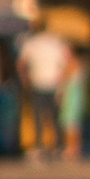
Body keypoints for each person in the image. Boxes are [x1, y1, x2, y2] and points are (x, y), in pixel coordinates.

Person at [16, 21, 73, 157]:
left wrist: (25, 79)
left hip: (38, 82)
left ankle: (39, 145)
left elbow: (21, 63)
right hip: (55, 84)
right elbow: (69, 62)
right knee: (56, 117)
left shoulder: (31, 43)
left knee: (38, 116)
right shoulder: (57, 42)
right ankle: (59, 146)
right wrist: (63, 81)